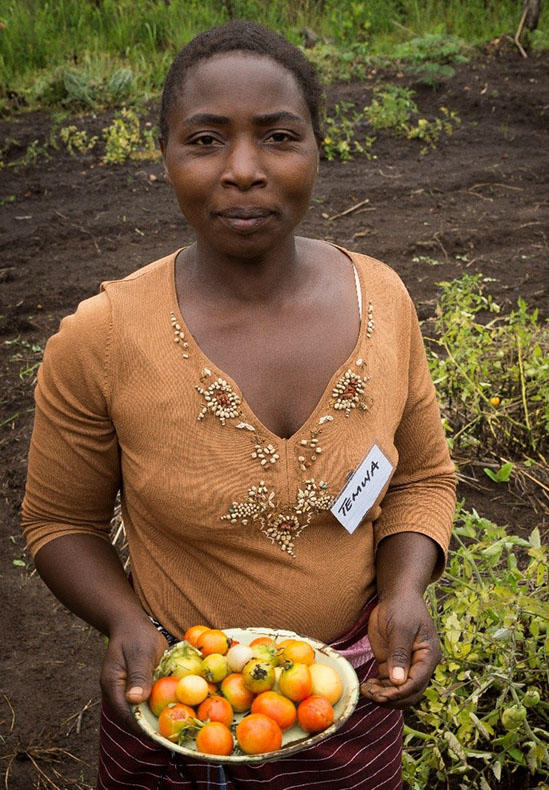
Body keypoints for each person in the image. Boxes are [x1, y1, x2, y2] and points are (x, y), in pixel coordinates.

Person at [22, 20, 456, 790]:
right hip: (184, 702)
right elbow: (61, 524)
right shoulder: (104, 339)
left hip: (344, 701)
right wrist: (125, 622)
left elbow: (421, 477)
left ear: (318, 149)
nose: (244, 170)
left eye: (279, 136)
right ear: (165, 157)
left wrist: (402, 592)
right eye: (205, 140)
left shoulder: (381, 301)